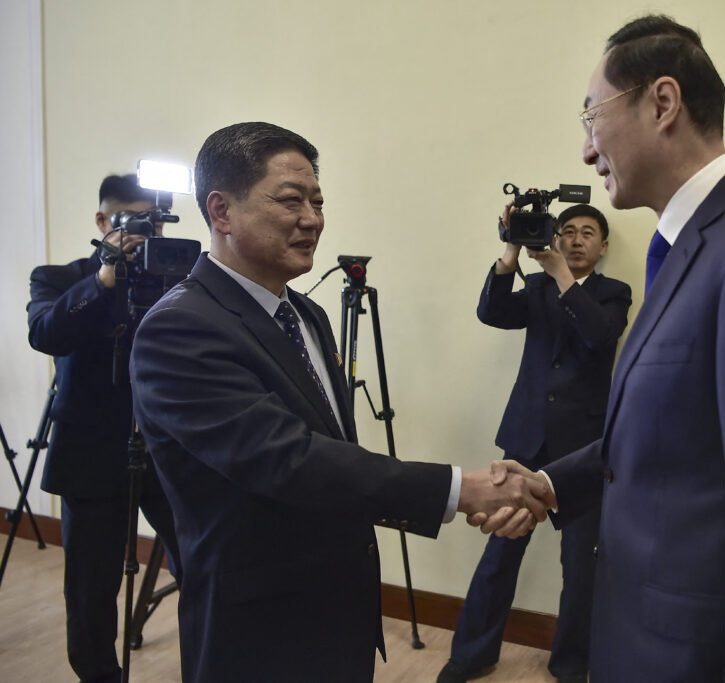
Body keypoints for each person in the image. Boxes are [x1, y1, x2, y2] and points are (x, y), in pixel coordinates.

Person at [484, 15, 725, 682]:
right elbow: (667, 432)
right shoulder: (687, 248)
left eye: (590, 116)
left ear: (662, 102)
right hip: (637, 636)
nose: (585, 149)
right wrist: (548, 481)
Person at [128, 121, 548, 683]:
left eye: (318, 201)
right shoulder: (179, 328)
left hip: (340, 611)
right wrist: (461, 488)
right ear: (221, 212)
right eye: (290, 200)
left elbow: (335, 453)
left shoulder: (307, 314)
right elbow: (289, 459)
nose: (312, 219)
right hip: (258, 630)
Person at [439, 205, 631, 683]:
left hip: (584, 446)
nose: (577, 239)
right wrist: (510, 253)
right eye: (568, 231)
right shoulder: (537, 286)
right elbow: (493, 313)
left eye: (588, 233)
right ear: (556, 236)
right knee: (499, 555)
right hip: (527, 437)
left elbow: (599, 336)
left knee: (580, 569)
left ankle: (570, 666)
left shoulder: (614, 293)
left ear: (603, 247)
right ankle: (472, 654)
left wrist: (560, 272)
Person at [26, 174, 183, 683]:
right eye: (133, 220)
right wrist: (103, 277)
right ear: (103, 222)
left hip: (169, 449)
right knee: (91, 594)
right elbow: (46, 334)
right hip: (91, 453)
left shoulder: (177, 279)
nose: (146, 231)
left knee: (205, 565)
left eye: (154, 221)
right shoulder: (57, 278)